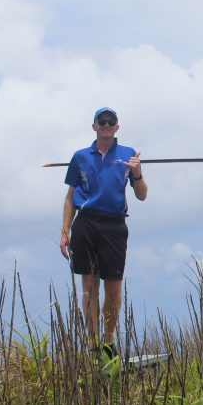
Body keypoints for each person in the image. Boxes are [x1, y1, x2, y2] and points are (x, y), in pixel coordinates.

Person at [60, 107, 148, 359]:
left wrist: (137, 172)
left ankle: (108, 343)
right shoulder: (80, 156)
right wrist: (65, 230)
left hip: (114, 224)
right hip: (86, 222)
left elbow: (142, 195)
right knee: (89, 285)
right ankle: (93, 344)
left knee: (113, 287)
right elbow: (69, 198)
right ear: (94, 126)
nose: (107, 125)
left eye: (111, 122)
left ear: (117, 127)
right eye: (102, 121)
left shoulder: (129, 154)